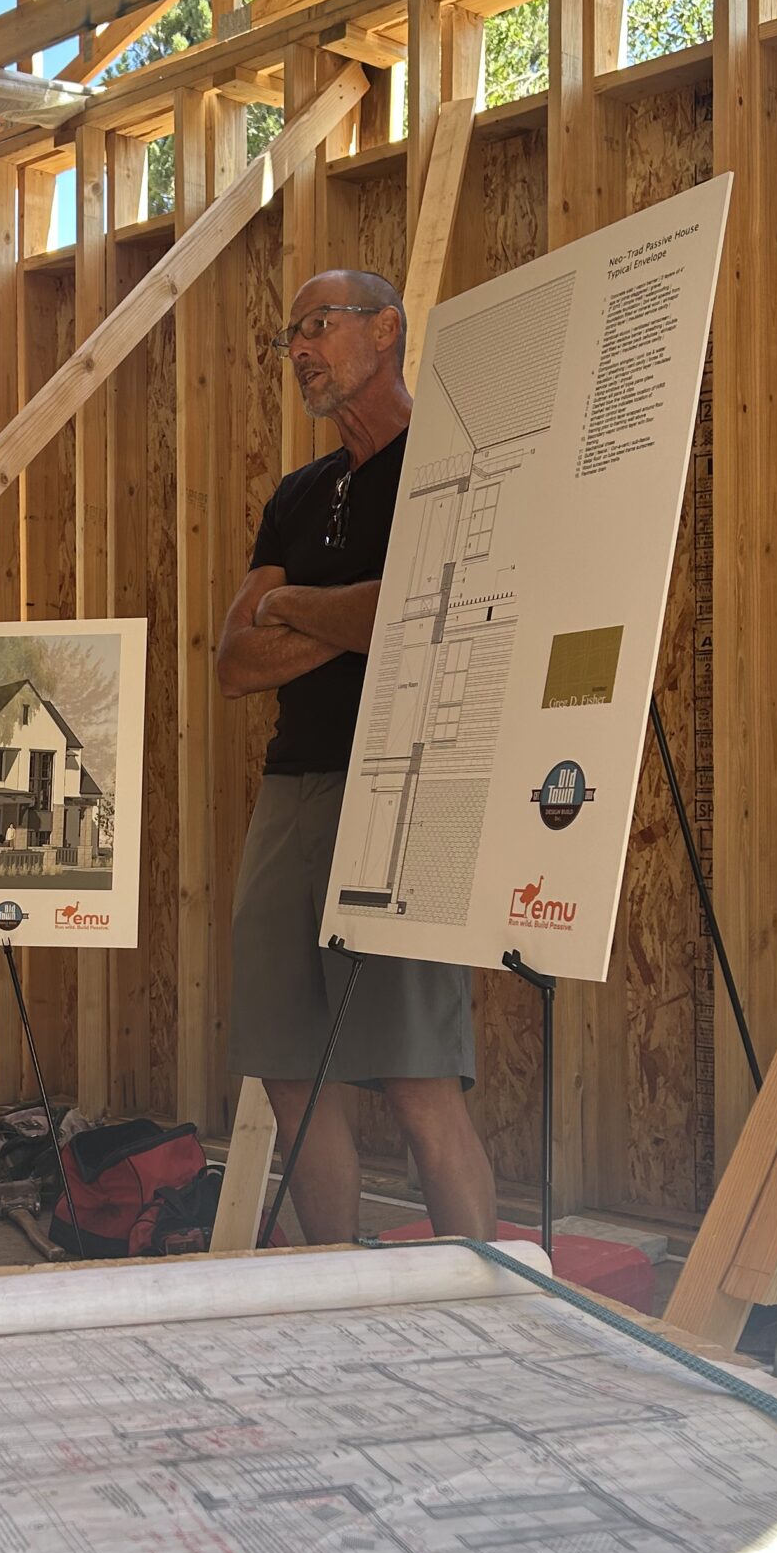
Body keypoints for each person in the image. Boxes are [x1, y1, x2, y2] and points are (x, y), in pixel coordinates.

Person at [217, 270, 496, 1249]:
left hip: (410, 779)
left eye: (318, 325)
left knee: (418, 1069)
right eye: (289, 332)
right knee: (289, 1064)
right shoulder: (298, 496)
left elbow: (425, 609)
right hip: (292, 790)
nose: (298, 347)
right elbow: (235, 662)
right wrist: (365, 613)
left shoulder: (448, 460)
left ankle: (483, 1299)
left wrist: (299, 603)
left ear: (386, 328)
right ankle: (337, 1282)